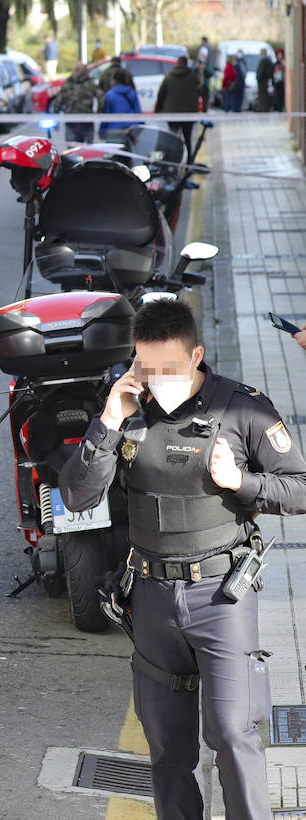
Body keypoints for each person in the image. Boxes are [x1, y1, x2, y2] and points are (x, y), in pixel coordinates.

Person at [60, 299, 306, 820]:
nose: (158, 380)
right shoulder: (126, 410)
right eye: (146, 368)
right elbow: (78, 499)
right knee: (168, 747)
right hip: (150, 598)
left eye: (169, 368)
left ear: (195, 355)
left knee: (233, 735)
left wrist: (243, 483)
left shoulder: (244, 408)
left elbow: (301, 488)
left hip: (221, 596)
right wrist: (107, 419)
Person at [156, 56, 207, 153]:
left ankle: (173, 158)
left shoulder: (169, 77)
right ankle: (188, 159)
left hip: (172, 113)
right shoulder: (193, 77)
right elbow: (202, 91)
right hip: (189, 113)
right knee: (188, 138)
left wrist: (159, 108)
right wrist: (204, 108)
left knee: (172, 137)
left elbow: (161, 94)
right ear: (186, 64)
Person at [54, 62, 102, 143]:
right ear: (86, 71)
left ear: (74, 71)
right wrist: (100, 112)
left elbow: (58, 101)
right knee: (87, 150)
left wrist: (55, 117)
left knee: (72, 150)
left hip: (70, 121)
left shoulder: (67, 84)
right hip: (87, 120)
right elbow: (101, 97)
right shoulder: (91, 83)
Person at [100, 67, 142, 139]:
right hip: (131, 129)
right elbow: (138, 112)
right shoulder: (132, 92)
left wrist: (101, 130)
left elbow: (107, 114)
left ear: (115, 80)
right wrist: (141, 128)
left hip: (114, 130)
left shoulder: (110, 95)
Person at [256, 48, 273, 113]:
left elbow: (261, 71)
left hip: (262, 81)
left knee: (262, 95)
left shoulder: (264, 60)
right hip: (265, 80)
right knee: (264, 94)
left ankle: (263, 108)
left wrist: (258, 78)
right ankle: (264, 108)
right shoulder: (268, 60)